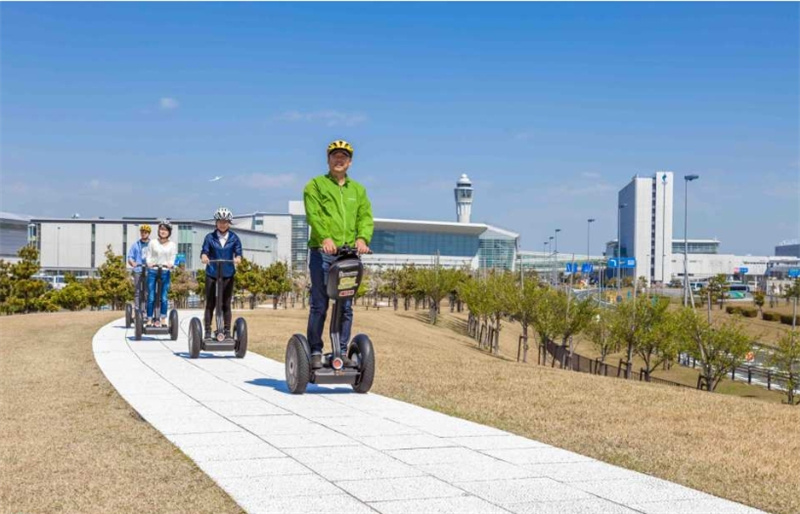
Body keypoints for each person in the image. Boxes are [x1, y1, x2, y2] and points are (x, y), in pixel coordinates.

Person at [303, 140, 373, 369]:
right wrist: (325, 238)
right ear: (328, 159)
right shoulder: (315, 186)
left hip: (349, 255)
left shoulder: (358, 190)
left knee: (345, 306)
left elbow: (365, 217)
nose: (339, 159)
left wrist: (362, 239)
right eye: (335, 156)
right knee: (320, 305)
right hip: (322, 253)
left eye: (344, 156)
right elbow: (314, 215)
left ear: (350, 162)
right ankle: (314, 350)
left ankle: (341, 351)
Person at [200, 207, 242, 339]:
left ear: (229, 223)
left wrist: (238, 259)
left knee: (226, 303)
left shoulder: (234, 238)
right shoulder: (210, 237)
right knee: (211, 303)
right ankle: (207, 331)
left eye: (225, 221)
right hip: (212, 273)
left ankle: (227, 331)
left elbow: (238, 252)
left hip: (228, 274)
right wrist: (204, 257)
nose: (222, 224)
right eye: (220, 221)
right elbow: (204, 251)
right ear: (216, 222)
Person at [144, 220, 178, 326]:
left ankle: (163, 318)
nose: (163, 231)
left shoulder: (172, 245)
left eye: (165, 230)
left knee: (164, 297)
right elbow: (148, 255)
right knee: (151, 297)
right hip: (153, 271)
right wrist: (149, 263)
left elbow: (173, 257)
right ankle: (149, 318)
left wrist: (170, 264)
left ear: (169, 232)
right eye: (161, 229)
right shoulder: (153, 242)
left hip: (165, 271)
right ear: (159, 230)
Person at [126, 224, 151, 310]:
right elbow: (130, 257)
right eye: (142, 232)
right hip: (138, 270)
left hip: (149, 270)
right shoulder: (135, 245)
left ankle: (148, 310)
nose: (143, 233)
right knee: (137, 291)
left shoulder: (152, 245)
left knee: (148, 291)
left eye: (145, 232)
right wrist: (132, 262)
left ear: (149, 233)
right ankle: (137, 310)